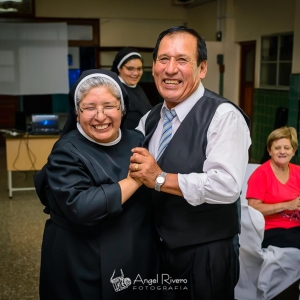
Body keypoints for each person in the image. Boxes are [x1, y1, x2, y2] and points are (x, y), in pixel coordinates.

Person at [129, 26, 251, 300]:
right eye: (163, 59)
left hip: (204, 255)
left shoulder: (224, 116)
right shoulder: (151, 118)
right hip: (159, 250)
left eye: (182, 60)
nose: (170, 69)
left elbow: (227, 186)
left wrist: (160, 179)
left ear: (202, 68)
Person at [34, 69, 158, 300]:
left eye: (109, 106)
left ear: (122, 108)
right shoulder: (66, 151)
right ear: (77, 113)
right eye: (90, 108)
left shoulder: (137, 141)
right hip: (82, 259)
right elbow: (82, 207)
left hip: (134, 254)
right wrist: (134, 180)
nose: (100, 117)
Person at [246, 126, 300, 249]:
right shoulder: (260, 174)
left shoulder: (298, 172)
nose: (282, 151)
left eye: (287, 148)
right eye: (277, 148)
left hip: (297, 226)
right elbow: (253, 209)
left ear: (294, 150)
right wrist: (286, 205)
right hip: (271, 229)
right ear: (269, 151)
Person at [111, 47, 152, 130]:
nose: (136, 73)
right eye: (130, 69)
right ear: (119, 68)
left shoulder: (138, 88)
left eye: (139, 69)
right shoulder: (113, 91)